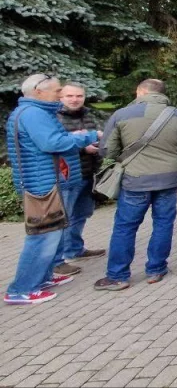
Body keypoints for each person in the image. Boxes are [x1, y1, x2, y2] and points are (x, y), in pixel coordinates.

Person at [94, 79, 177, 291]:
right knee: (163, 224)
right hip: (170, 180)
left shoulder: (121, 115)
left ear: (140, 91)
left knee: (125, 227)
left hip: (135, 180)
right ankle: (156, 269)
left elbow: (107, 150)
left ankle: (117, 275)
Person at [5, 75, 99, 305]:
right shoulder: (33, 114)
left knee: (52, 234)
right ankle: (22, 289)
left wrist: (71, 136)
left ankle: (43, 278)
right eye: (57, 91)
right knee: (42, 237)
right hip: (42, 185)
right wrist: (89, 136)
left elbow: (52, 139)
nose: (60, 95)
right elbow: (52, 143)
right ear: (39, 91)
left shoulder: (36, 112)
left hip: (47, 181)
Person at [55, 83, 106, 270]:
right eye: (70, 96)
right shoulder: (54, 118)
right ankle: (57, 261)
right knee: (63, 218)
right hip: (66, 177)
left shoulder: (87, 115)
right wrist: (83, 147)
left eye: (79, 96)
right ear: (61, 97)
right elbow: (54, 145)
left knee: (81, 214)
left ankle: (74, 249)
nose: (75, 99)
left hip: (88, 173)